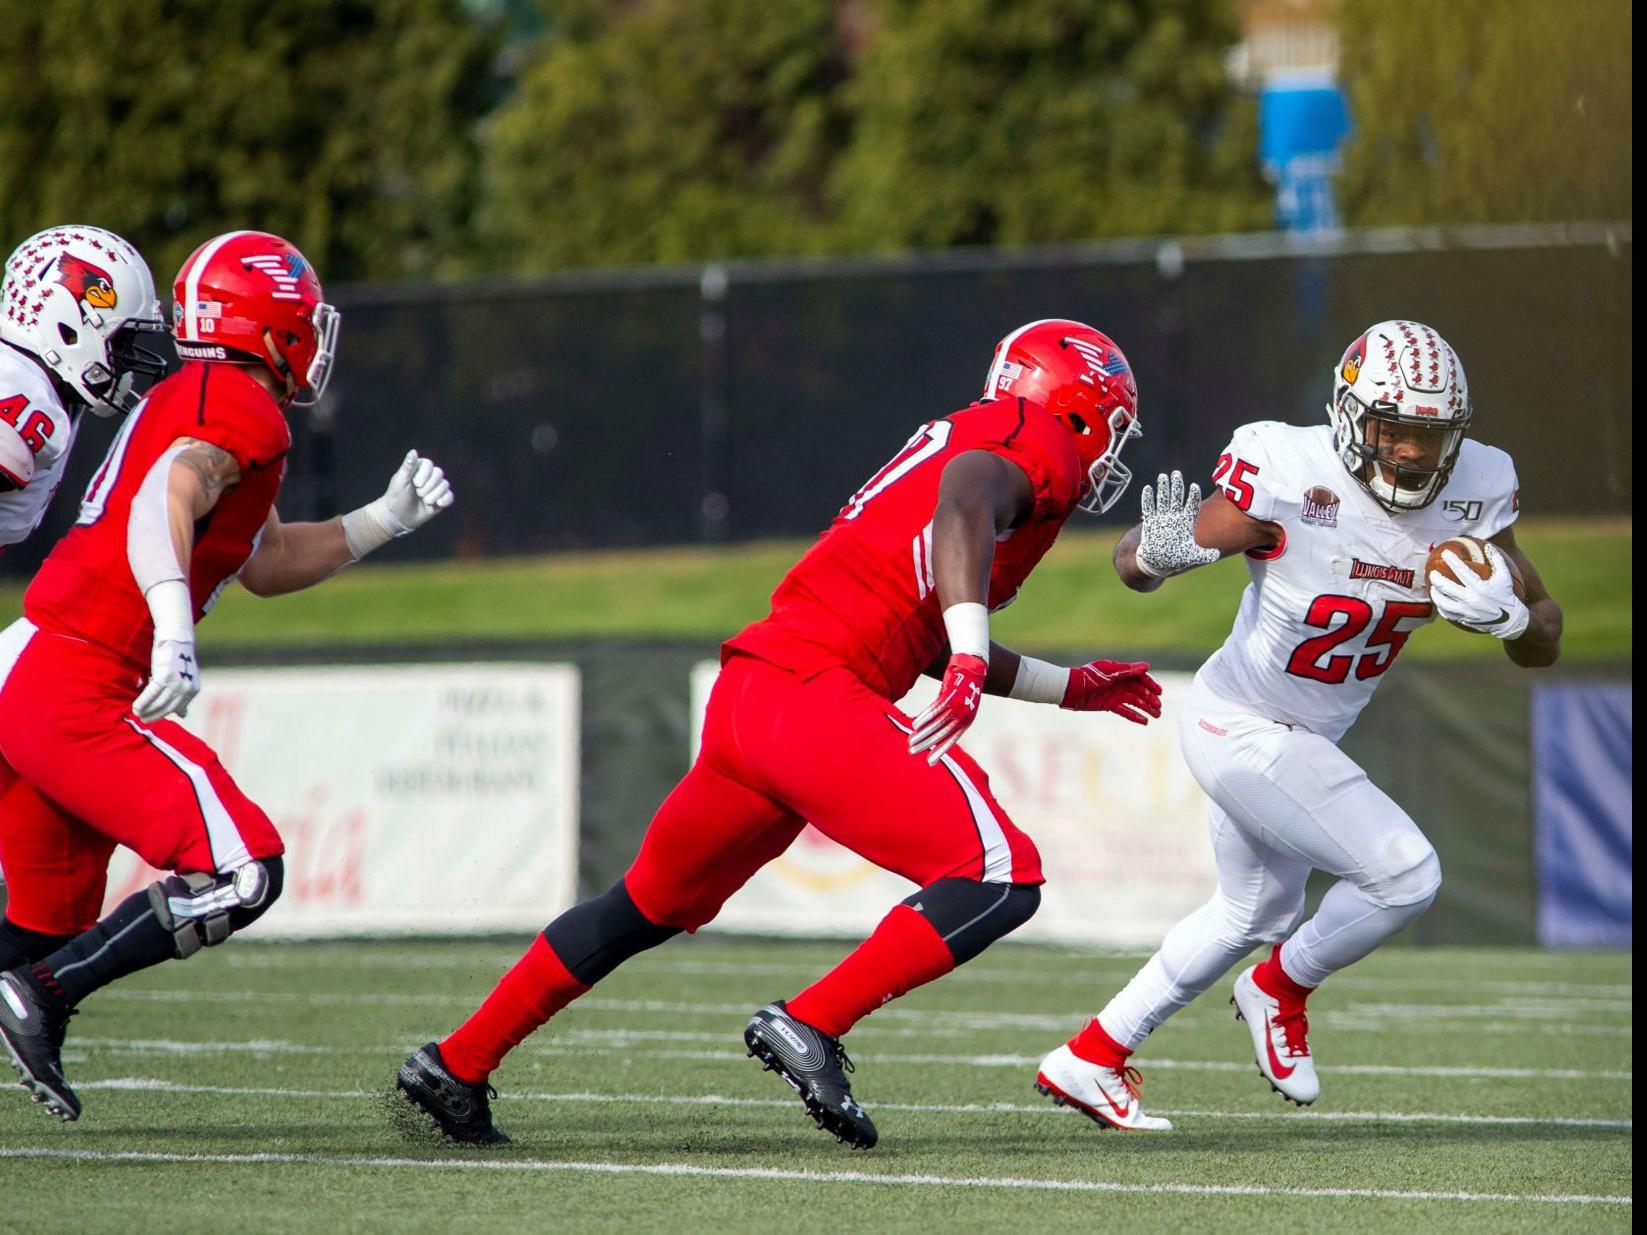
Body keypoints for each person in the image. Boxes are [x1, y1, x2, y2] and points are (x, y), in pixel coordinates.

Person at [392, 318, 1162, 1148]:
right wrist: (974, 654)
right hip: (815, 698)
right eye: (1113, 424)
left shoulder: (981, 440)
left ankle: (457, 1063)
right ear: (1073, 405)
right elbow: (969, 494)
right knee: (1000, 872)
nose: (1111, 450)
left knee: (641, 906)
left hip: (756, 694)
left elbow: (931, 624)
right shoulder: (1027, 437)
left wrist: (1066, 688)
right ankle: (813, 1021)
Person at [1034, 319, 1562, 1131]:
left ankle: (1091, 1055)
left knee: (1250, 914)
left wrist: (1512, 618)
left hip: (1306, 738)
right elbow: (1132, 562)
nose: (1413, 455)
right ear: (1351, 418)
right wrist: (1153, 555)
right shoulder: (1289, 473)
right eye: (1395, 432)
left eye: (1430, 436)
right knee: (1405, 874)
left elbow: (1544, 636)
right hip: (1237, 721)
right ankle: (1278, 986)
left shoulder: (1477, 492)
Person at [0, 230, 454, 1122]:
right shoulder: (242, 408)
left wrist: (381, 521)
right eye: (303, 322)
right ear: (270, 325)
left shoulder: (201, 394)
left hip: (42, 667)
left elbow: (265, 556)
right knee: (243, 868)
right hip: (80, 678)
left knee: (40, 930)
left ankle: (36, 990)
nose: (315, 341)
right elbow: (161, 499)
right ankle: (45, 1000)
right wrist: (172, 624)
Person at [0, 225, 167, 546]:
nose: (127, 359)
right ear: (68, 325)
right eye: (122, 343)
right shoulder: (24, 392)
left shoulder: (41, 388)